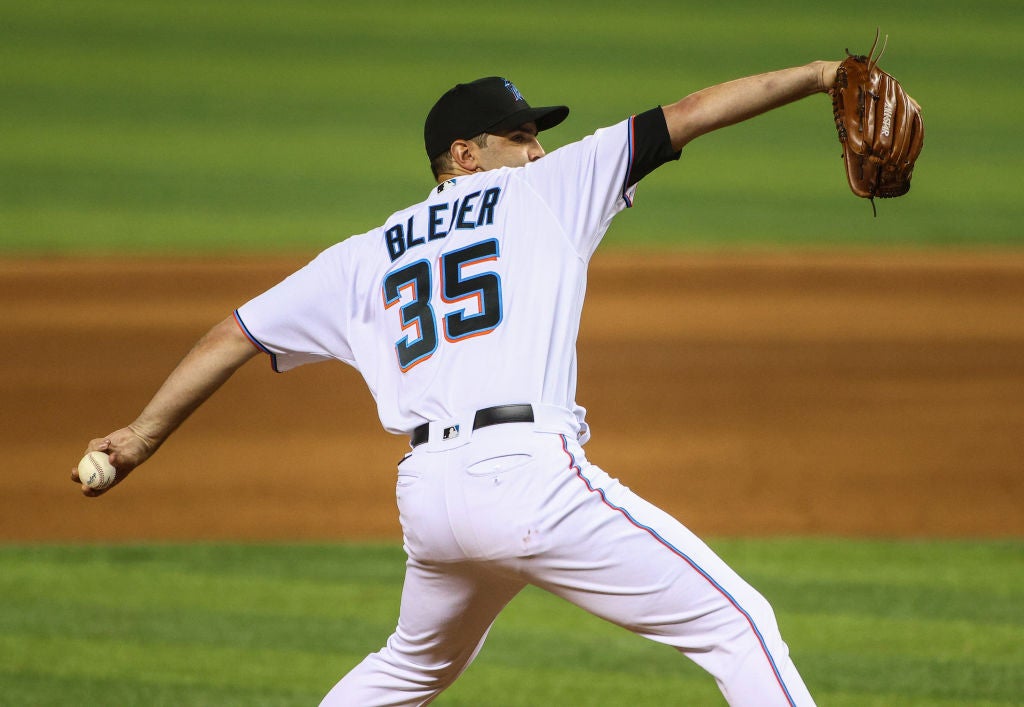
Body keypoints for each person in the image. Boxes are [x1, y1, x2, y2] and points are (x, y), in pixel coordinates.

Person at [73, 59, 845, 705]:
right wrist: (820, 74)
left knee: (410, 666)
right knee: (737, 622)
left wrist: (139, 437)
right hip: (527, 481)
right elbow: (690, 113)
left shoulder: (363, 254)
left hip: (431, 500)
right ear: (465, 154)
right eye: (521, 135)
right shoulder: (546, 192)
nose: (541, 150)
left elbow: (231, 335)